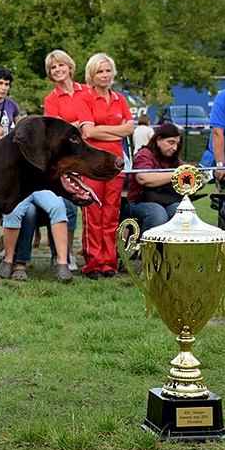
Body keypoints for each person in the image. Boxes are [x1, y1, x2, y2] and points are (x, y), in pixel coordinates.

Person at [80, 53, 134, 279]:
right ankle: (93, 263)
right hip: (92, 164)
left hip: (116, 163)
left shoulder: (120, 99)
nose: (104, 75)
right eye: (99, 71)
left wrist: (104, 130)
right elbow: (88, 132)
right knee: (93, 211)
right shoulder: (86, 98)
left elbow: (130, 128)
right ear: (91, 75)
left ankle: (108, 263)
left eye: (107, 70)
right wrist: (117, 130)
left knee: (111, 213)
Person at [41, 48, 93, 272]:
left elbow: (93, 120)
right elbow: (56, 129)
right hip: (67, 159)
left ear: (70, 67)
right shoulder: (51, 99)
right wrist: (80, 123)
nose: (58, 69)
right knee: (70, 206)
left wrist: (83, 124)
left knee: (94, 209)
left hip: (91, 153)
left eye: (61, 65)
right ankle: (65, 253)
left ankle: (95, 255)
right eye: (53, 67)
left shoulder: (88, 91)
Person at [127, 123, 184, 232]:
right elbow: (143, 178)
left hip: (167, 201)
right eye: (171, 142)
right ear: (158, 140)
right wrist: (177, 174)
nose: (175, 148)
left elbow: (186, 173)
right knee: (158, 214)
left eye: (177, 144)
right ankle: (146, 248)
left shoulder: (174, 160)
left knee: (183, 212)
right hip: (139, 201)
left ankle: (172, 248)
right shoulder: (144, 155)